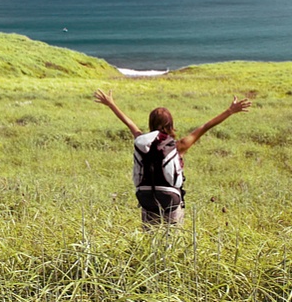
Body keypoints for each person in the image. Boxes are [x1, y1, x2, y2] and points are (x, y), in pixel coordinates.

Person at [94, 89, 251, 227]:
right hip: (171, 199)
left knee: (150, 240)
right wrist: (230, 110)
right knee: (172, 240)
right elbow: (205, 126)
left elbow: (129, 123)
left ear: (150, 123)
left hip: (146, 198)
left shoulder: (141, 141)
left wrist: (111, 104)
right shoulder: (179, 145)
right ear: (170, 124)